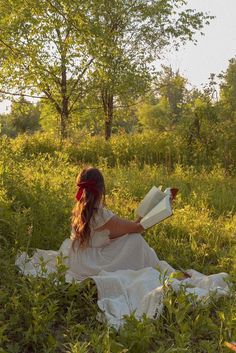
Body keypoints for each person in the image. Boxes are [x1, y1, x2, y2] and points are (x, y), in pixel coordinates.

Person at [59, 166, 172, 280]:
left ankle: (158, 269)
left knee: (128, 238)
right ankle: (160, 273)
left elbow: (126, 229)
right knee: (136, 240)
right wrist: (155, 213)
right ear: (102, 190)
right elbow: (137, 228)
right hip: (90, 265)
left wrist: (141, 216)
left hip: (76, 259)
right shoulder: (102, 216)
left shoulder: (79, 211)